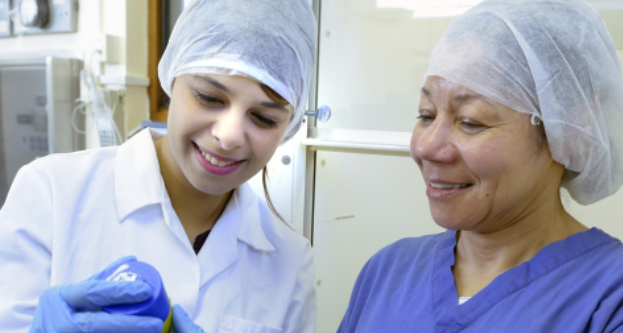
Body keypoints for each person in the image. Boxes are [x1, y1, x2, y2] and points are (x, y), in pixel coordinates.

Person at [0, 0, 317, 332]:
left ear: (289, 126)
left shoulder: (291, 264)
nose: (228, 136)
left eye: (264, 118)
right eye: (209, 97)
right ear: (172, 78)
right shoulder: (49, 194)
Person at [337, 0, 623, 332]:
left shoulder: (609, 300)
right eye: (426, 115)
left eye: (470, 122)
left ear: (569, 131)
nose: (425, 146)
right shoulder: (388, 272)